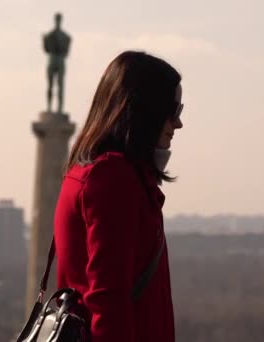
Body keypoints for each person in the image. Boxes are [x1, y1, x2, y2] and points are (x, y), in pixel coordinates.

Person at [53, 50, 184, 341]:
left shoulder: (90, 172)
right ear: (145, 109)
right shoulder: (113, 178)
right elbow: (108, 298)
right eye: (173, 111)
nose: (178, 124)